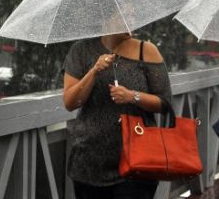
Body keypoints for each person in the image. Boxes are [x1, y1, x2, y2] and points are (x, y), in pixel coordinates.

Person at [63, 33, 171, 199]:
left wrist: (132, 96)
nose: (130, 15)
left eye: (131, 11)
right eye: (124, 10)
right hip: (89, 163)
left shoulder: (147, 50)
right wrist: (94, 71)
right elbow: (70, 102)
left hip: (137, 162)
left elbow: (164, 103)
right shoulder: (81, 50)